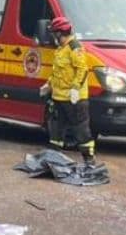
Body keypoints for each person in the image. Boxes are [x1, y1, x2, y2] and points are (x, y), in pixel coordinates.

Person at [40, 15, 95, 164]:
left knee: (81, 132)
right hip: (59, 98)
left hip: (74, 99)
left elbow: (83, 69)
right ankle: (54, 161)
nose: (52, 36)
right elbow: (58, 72)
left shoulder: (74, 48)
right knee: (55, 132)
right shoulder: (61, 49)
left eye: (53, 33)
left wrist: (76, 89)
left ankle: (89, 162)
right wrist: (48, 85)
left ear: (59, 33)